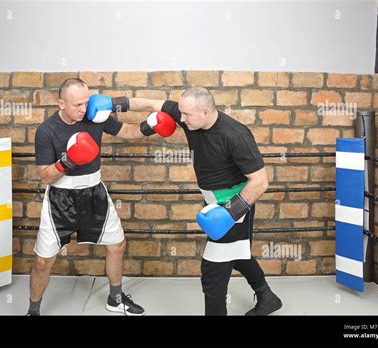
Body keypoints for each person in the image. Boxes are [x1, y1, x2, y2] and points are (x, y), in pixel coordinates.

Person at [117, 86, 283, 316]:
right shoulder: (190, 117)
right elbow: (149, 104)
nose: (180, 120)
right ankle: (267, 297)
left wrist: (229, 213)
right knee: (238, 255)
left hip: (234, 206)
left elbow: (260, 182)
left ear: (205, 111)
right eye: (181, 114)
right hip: (213, 203)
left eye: (186, 115)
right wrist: (112, 103)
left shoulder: (235, 135)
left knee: (212, 275)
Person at [29, 78, 174, 316]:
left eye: (86, 102)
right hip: (60, 198)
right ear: (61, 103)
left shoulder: (96, 116)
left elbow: (128, 131)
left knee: (117, 245)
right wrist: (70, 159)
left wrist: (150, 125)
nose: (84, 109)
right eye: (77, 105)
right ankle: (33, 310)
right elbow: (45, 176)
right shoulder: (47, 130)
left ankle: (115, 299)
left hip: (95, 192)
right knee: (43, 261)